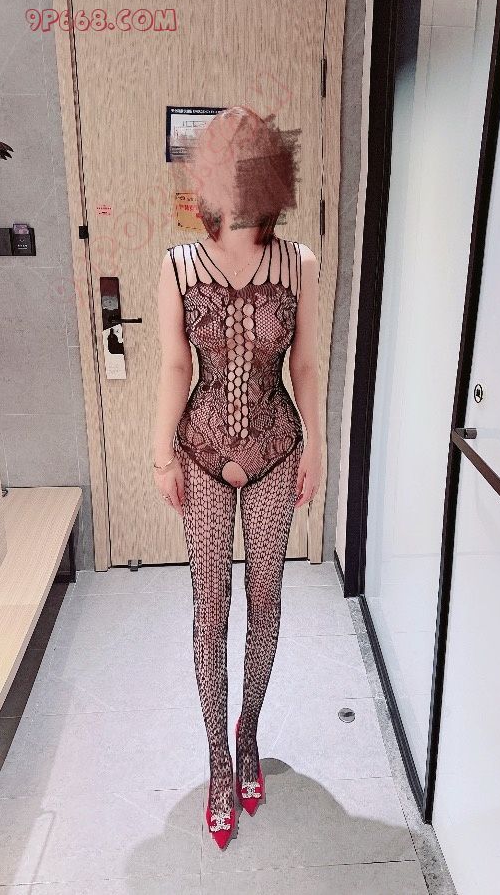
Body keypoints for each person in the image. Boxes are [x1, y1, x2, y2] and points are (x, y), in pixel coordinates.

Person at [153, 106, 322, 849]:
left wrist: (317, 445)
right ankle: (217, 759)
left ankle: (247, 733)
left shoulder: (299, 263)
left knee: (266, 601)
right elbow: (174, 365)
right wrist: (161, 453)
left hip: (277, 448)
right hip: (200, 452)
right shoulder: (178, 264)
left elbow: (304, 364)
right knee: (209, 610)